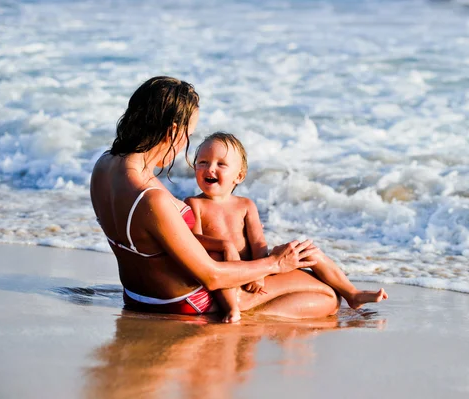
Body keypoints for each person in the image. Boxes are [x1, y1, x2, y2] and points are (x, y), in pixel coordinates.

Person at [90, 76, 385, 321]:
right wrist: (274, 264)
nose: (185, 145)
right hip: (184, 301)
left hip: (138, 295)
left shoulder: (104, 166)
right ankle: (245, 318)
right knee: (327, 296)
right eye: (189, 135)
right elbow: (213, 276)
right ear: (173, 131)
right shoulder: (149, 197)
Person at [186, 133, 388, 322]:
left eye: (221, 164)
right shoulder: (194, 203)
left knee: (306, 251)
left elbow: (258, 242)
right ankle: (232, 308)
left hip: (256, 269)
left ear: (239, 176)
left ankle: (351, 293)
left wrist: (260, 274)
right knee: (218, 256)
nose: (210, 168)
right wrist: (225, 246)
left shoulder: (246, 205)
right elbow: (193, 241)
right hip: (228, 275)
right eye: (202, 162)